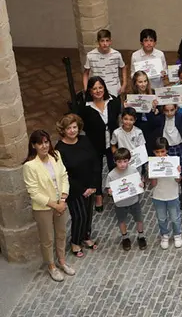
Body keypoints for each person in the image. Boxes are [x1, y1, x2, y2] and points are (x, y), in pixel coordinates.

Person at [23, 130, 76, 281]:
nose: (44, 146)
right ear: (34, 146)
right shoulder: (30, 166)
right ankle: (51, 266)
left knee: (61, 233)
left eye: (46, 142)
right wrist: (54, 205)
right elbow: (33, 192)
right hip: (44, 208)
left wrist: (63, 199)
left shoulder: (56, 155)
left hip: (60, 202)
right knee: (47, 238)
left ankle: (62, 261)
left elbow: (64, 176)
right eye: (40, 143)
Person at [55, 114, 100, 258]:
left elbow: (95, 161)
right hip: (74, 189)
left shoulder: (84, 140)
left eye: (75, 127)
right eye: (69, 128)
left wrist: (93, 185)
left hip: (90, 185)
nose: (73, 131)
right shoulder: (60, 149)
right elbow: (64, 174)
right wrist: (82, 190)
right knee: (79, 215)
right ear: (63, 130)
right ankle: (75, 242)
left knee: (88, 214)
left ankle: (86, 236)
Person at [77, 76, 121, 212]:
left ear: (104, 88)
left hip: (112, 141)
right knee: (96, 170)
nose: (98, 91)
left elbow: (118, 117)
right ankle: (98, 195)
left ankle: (116, 190)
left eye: (100, 87)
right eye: (94, 88)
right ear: (90, 91)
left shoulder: (113, 101)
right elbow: (81, 125)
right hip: (94, 143)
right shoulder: (85, 107)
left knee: (114, 166)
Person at [105, 148, 147, 251]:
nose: (122, 164)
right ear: (115, 161)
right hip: (120, 204)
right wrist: (109, 192)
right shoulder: (111, 175)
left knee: (139, 219)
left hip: (133, 201)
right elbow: (108, 189)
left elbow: (140, 184)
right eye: (119, 162)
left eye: (125, 161)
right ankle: (125, 237)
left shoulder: (133, 170)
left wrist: (142, 184)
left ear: (129, 160)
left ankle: (141, 235)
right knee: (122, 221)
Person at [148, 137, 182, 249]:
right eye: (157, 152)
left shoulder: (173, 161)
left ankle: (177, 234)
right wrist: (151, 174)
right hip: (158, 196)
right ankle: (164, 235)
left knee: (175, 217)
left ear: (167, 150)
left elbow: (178, 180)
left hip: (172, 194)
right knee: (161, 218)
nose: (160, 154)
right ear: (154, 152)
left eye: (162, 151)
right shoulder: (152, 164)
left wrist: (178, 172)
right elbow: (153, 184)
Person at [160, 102, 182, 210]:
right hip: (168, 149)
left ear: (176, 109)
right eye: (167, 111)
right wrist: (152, 108)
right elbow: (151, 120)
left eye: (172, 110)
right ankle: (172, 194)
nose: (169, 113)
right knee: (171, 172)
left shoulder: (179, 117)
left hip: (179, 147)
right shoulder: (161, 118)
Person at [124, 71, 161, 155]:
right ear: (135, 83)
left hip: (152, 130)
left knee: (152, 154)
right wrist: (127, 109)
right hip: (138, 129)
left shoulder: (153, 93)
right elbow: (128, 117)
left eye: (145, 81)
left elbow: (160, 115)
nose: (143, 84)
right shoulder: (130, 96)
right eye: (140, 82)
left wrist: (155, 109)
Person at [83, 29, 127, 97]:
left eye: (107, 40)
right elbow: (86, 73)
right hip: (97, 90)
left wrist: (124, 84)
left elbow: (123, 68)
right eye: (102, 41)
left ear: (110, 42)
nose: (105, 44)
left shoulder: (117, 54)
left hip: (114, 89)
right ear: (98, 42)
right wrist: (86, 88)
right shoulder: (90, 55)